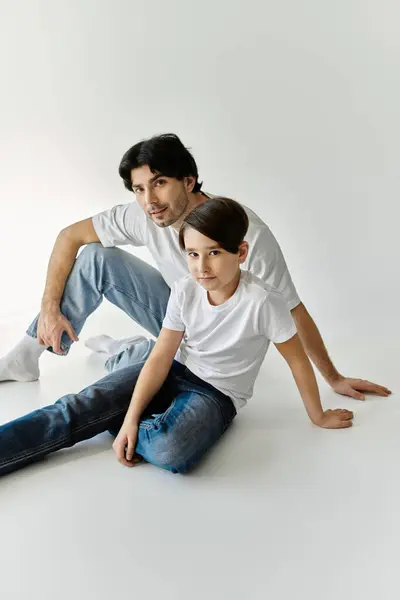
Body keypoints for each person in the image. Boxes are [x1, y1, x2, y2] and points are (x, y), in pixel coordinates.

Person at [0, 134, 391, 403]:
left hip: (216, 351)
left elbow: (291, 307)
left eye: (159, 183)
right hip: (177, 320)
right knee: (96, 257)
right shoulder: (145, 215)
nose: (149, 200)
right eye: (138, 189)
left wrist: (333, 377)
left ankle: (128, 351)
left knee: (145, 369)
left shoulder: (242, 231)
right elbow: (69, 236)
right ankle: (25, 356)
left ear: (189, 181)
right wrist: (50, 308)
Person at [0, 198, 354, 477]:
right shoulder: (185, 291)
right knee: (77, 407)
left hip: (216, 394)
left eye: (214, 253)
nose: (202, 266)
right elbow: (161, 357)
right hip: (172, 367)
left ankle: (120, 402)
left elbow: (296, 361)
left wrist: (318, 415)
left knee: (174, 449)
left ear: (241, 253)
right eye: (193, 255)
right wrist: (130, 416)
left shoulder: (263, 302)